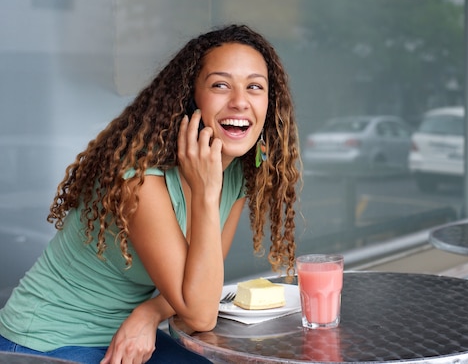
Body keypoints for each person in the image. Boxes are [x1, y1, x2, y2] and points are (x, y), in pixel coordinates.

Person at [0, 24, 301, 363]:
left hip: (126, 336)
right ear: (191, 98)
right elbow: (201, 314)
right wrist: (205, 193)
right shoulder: (139, 180)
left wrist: (150, 312)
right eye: (220, 85)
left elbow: (203, 285)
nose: (240, 102)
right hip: (46, 341)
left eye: (255, 88)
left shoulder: (234, 173)